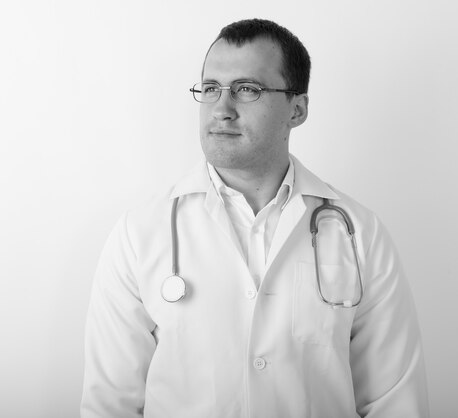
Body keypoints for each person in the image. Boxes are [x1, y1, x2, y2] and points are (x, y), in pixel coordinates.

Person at [81, 18, 429, 418]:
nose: (222, 109)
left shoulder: (359, 233)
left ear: (297, 109)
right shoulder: (139, 235)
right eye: (211, 89)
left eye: (247, 89)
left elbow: (395, 402)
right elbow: (110, 405)